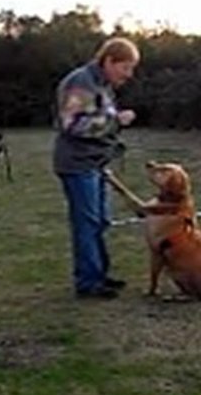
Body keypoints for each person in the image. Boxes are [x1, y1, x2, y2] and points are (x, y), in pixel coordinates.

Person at [53, 37, 139, 299]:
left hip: (96, 164)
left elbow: (98, 118)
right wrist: (116, 122)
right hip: (78, 165)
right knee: (87, 223)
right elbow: (73, 124)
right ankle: (88, 283)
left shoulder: (103, 85)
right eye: (126, 67)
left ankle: (99, 274)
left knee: (100, 221)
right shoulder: (81, 82)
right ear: (109, 61)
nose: (129, 74)